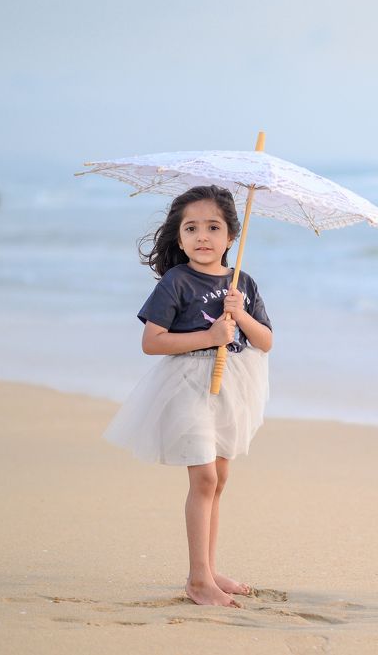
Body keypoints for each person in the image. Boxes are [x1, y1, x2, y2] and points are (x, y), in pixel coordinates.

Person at [102, 184, 273, 608]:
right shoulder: (177, 282)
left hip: (231, 385)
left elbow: (266, 341)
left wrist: (240, 315)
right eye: (191, 228)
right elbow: (152, 341)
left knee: (221, 477)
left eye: (213, 227)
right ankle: (198, 580)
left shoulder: (242, 284)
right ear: (179, 238)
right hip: (188, 385)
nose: (202, 236)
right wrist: (209, 334)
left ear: (231, 236)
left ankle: (210, 569)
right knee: (204, 478)